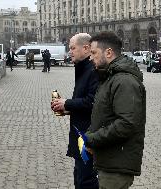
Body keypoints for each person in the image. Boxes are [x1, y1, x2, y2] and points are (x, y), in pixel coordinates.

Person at [85, 32, 146, 189]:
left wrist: (92, 139)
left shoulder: (124, 81)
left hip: (117, 165)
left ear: (109, 52)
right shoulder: (110, 77)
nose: (90, 58)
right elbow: (106, 116)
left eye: (93, 53)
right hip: (110, 160)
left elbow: (126, 124)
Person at [51, 33, 99, 189]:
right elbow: (84, 103)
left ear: (86, 48)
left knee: (86, 179)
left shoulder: (93, 69)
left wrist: (68, 103)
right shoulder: (82, 68)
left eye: (72, 48)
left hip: (87, 136)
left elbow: (93, 102)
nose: (69, 51)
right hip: (80, 134)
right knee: (79, 175)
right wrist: (67, 109)